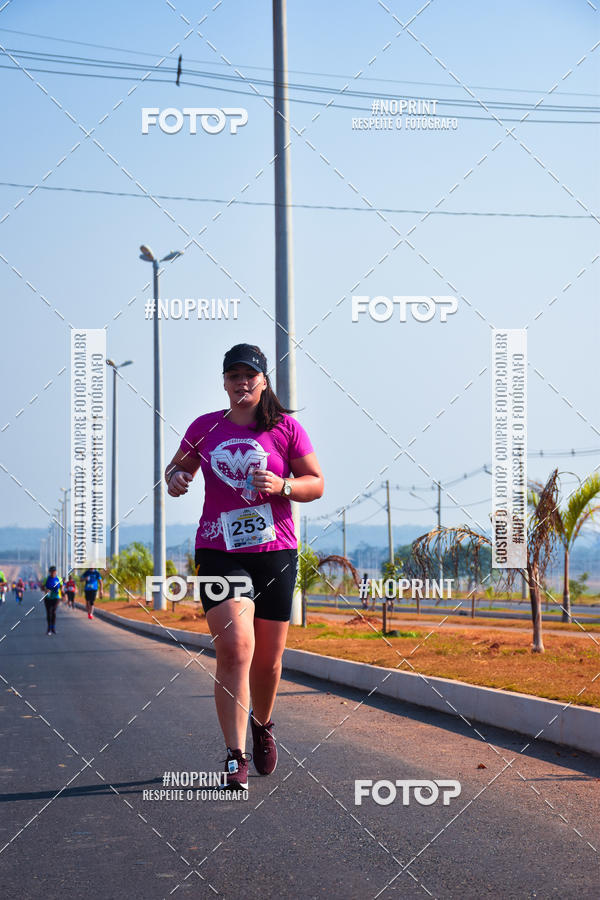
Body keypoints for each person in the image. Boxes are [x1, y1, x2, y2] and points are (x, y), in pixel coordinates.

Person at [166, 344, 324, 792]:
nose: (242, 382)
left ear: (264, 381)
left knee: (269, 662)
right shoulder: (205, 426)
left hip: (276, 551)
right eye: (234, 375)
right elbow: (176, 469)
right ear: (224, 382)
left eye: (250, 375)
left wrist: (284, 485)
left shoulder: (286, 429)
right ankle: (235, 755)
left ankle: (264, 723)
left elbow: (317, 483)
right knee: (236, 648)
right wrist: (175, 477)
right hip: (220, 550)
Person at [42, 566, 63, 634]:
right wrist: (45, 590)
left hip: (56, 597)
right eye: (51, 572)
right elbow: (42, 587)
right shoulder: (46, 579)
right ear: (49, 572)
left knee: (53, 611)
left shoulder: (59, 579)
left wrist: (63, 594)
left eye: (54, 571)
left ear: (56, 572)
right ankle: (49, 628)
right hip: (48, 598)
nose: (53, 573)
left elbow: (62, 587)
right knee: (48, 613)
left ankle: (53, 627)